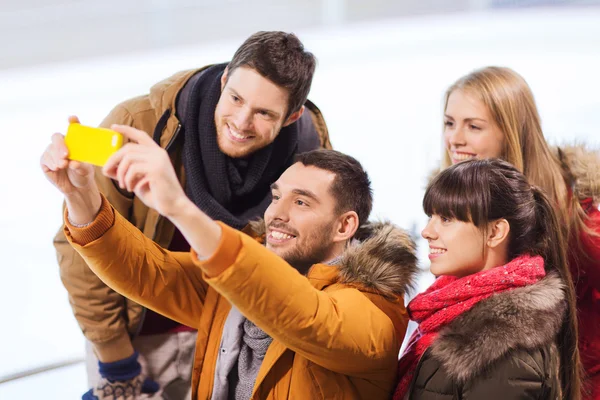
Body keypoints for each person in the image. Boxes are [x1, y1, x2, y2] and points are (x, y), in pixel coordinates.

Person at [41, 122, 419, 399]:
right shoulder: (237, 283)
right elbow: (150, 273)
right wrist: (82, 197)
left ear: (344, 226)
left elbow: (304, 313)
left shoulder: (374, 313)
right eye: (276, 196)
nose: (277, 213)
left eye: (301, 202)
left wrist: (177, 207)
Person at [53, 31, 332, 399]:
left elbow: (314, 254)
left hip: (232, 339)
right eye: (235, 98)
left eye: (264, 113)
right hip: (138, 340)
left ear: (292, 115)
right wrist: (114, 355)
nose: (242, 121)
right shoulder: (140, 123)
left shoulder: (308, 148)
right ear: (224, 80)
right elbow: (81, 243)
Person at [439, 66, 599, 398]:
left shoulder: (576, 213)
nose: (455, 138)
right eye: (449, 123)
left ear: (510, 131)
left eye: (474, 126)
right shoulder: (455, 206)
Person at [393, 158, 581, 399]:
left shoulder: (505, 350)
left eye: (446, 219)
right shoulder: (452, 313)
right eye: (431, 216)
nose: (427, 231)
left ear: (495, 232)